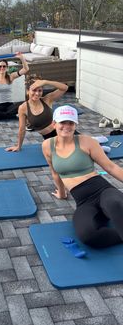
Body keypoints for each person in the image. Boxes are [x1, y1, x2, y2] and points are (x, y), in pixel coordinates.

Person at [42, 105, 123, 248]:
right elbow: (55, 172)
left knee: (115, 204)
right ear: (54, 124)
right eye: (63, 122)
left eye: (71, 123)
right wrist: (61, 193)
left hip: (103, 191)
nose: (67, 126)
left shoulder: (87, 142)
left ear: (75, 125)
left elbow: (111, 167)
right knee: (88, 236)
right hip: (83, 201)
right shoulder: (47, 145)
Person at [5, 75, 68, 151]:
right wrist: (18, 146)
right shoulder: (23, 108)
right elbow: (22, 129)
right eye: (34, 90)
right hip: (50, 139)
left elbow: (65, 88)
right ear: (28, 91)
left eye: (40, 90)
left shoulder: (47, 99)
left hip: (65, 131)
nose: (37, 93)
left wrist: (46, 82)